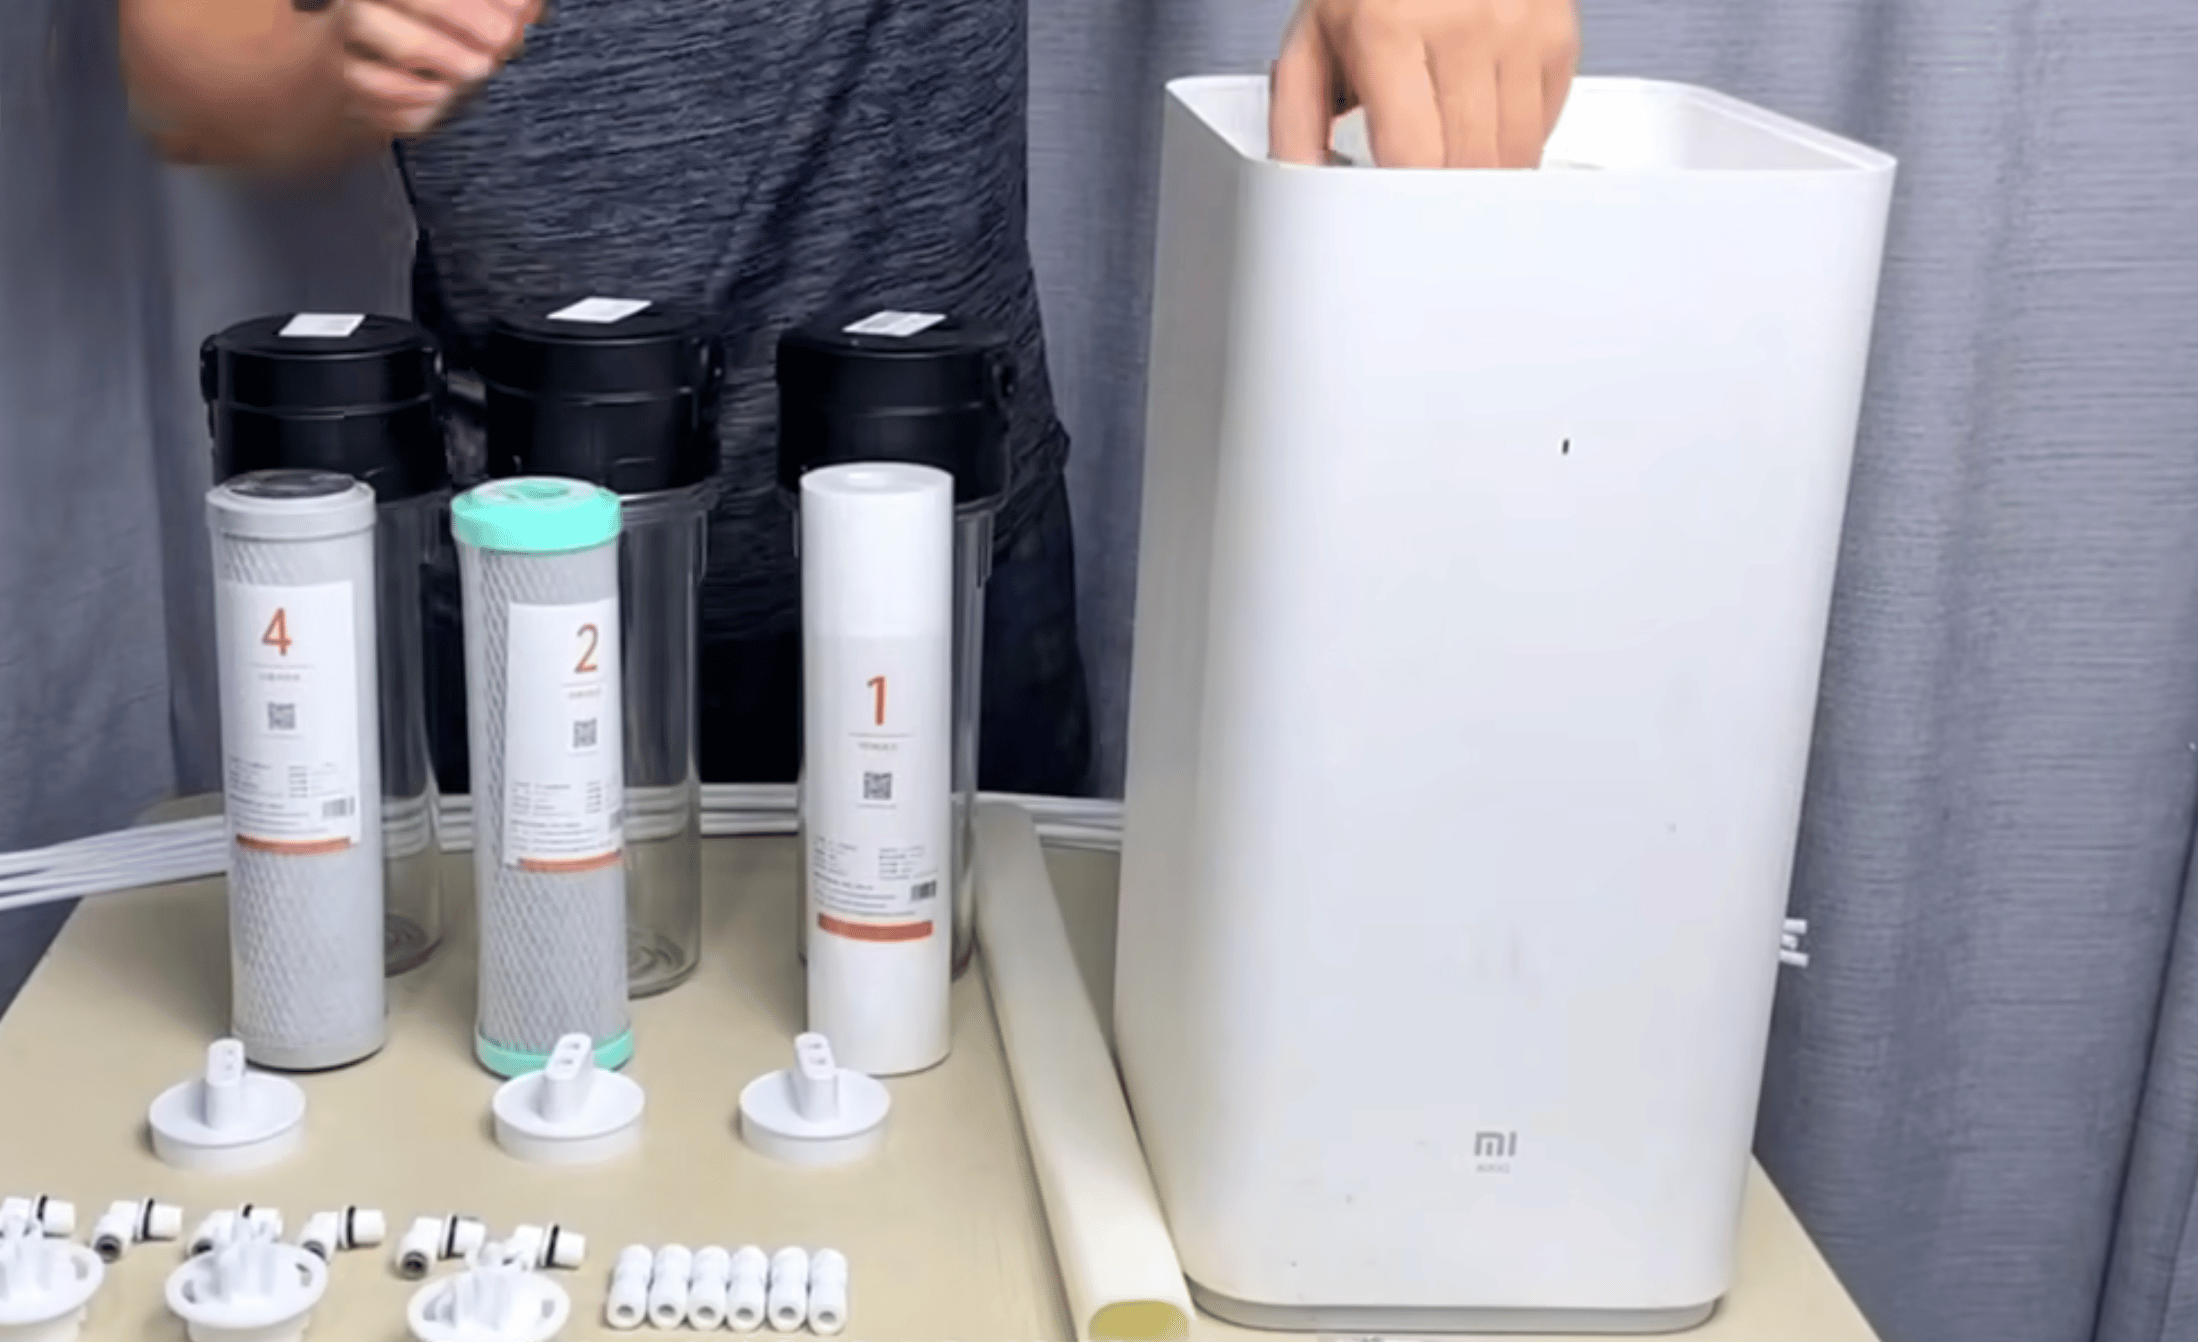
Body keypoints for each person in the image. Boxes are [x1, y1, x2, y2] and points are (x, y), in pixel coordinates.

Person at [116, 0, 1579, 795]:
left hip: (955, 554)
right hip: (523, 573)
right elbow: (188, 70)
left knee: (982, 1135)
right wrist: (333, 57)